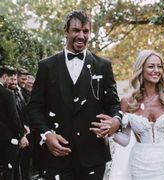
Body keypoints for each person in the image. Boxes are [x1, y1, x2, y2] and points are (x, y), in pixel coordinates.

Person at [28, 10, 122, 180]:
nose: (81, 35)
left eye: (85, 31)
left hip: (93, 155)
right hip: (56, 156)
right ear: (66, 32)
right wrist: (47, 135)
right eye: (76, 30)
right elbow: (34, 108)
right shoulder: (47, 66)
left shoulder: (103, 66)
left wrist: (116, 121)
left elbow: (114, 105)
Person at [91, 50, 164, 179]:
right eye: (151, 66)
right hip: (140, 164)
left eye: (159, 66)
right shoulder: (128, 102)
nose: (156, 70)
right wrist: (110, 133)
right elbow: (125, 141)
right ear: (141, 69)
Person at [0, 66, 28, 180]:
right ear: (5, 77)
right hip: (8, 137)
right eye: (11, 78)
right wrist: (22, 135)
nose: (12, 81)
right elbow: (14, 116)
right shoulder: (7, 93)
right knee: (10, 168)